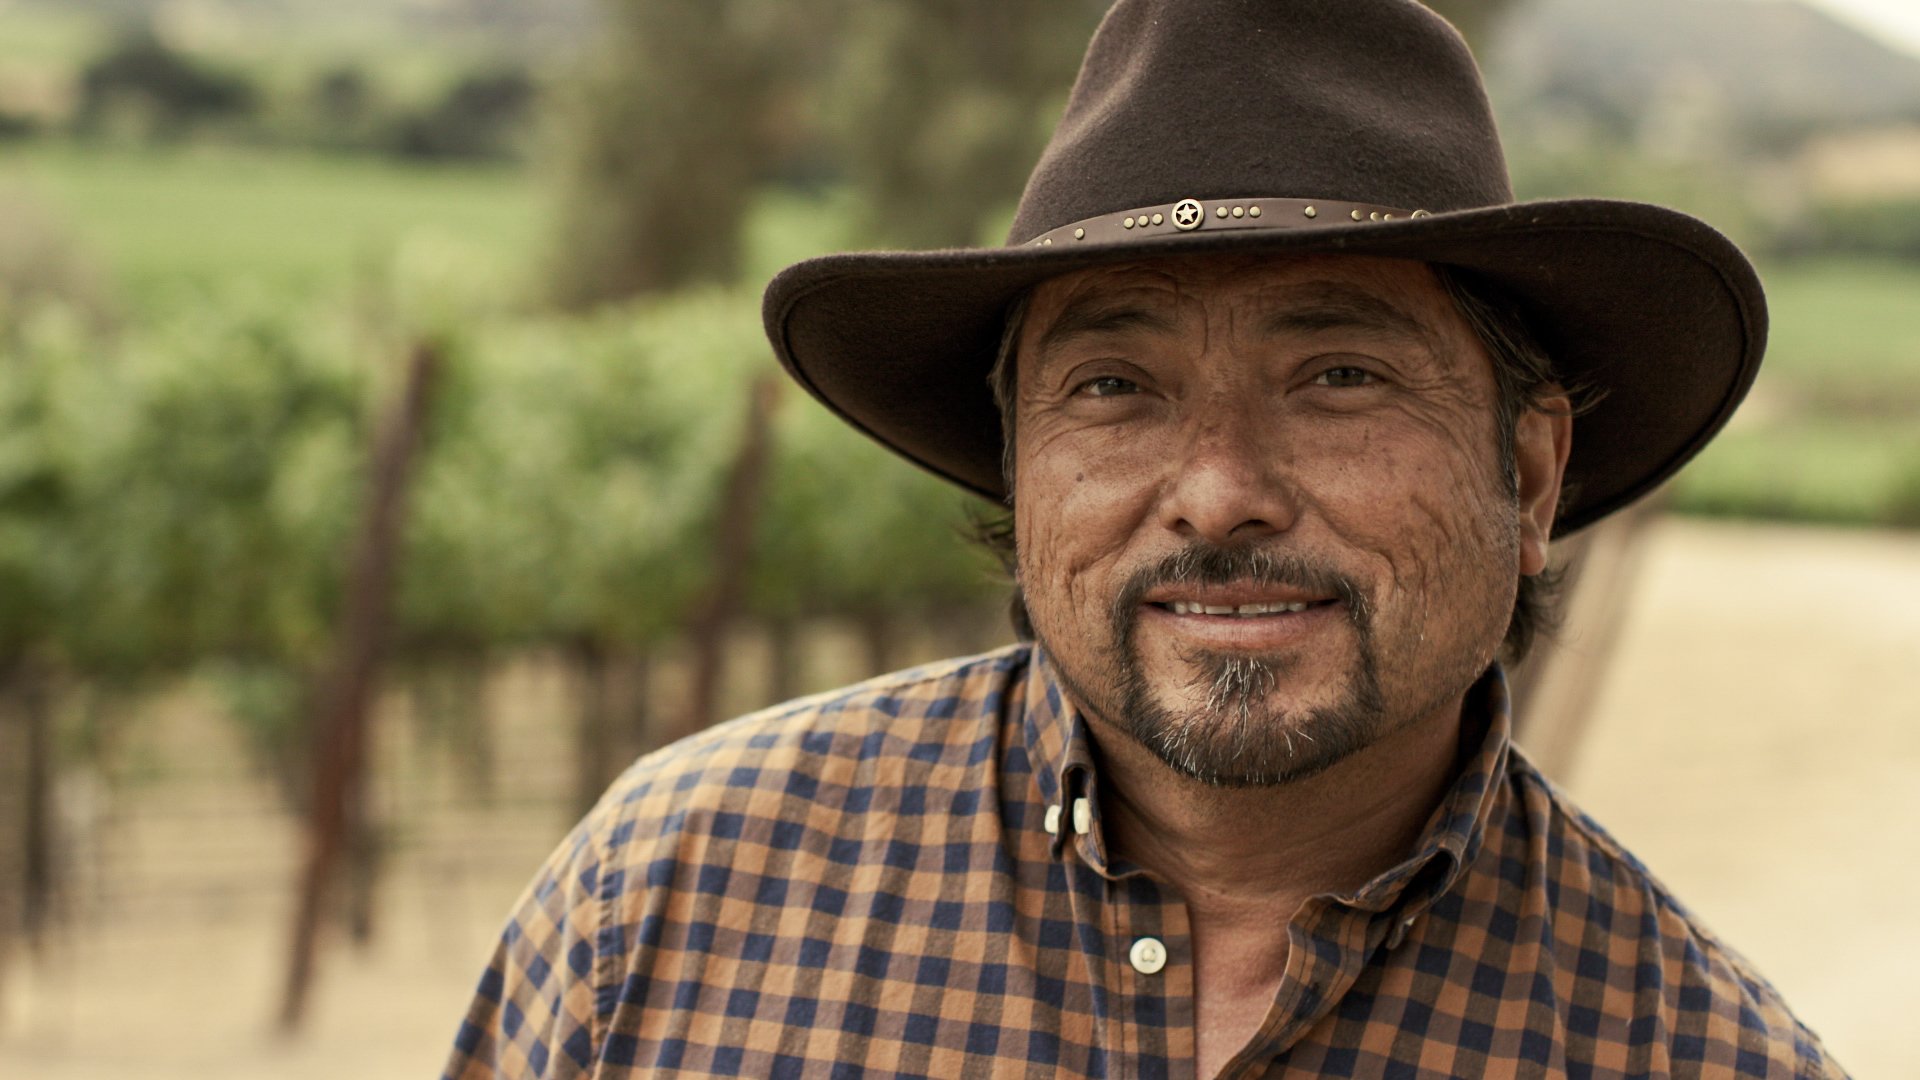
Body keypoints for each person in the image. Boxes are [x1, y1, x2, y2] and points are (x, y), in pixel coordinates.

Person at [445, 1, 1846, 1076]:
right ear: (1020, 475)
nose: (1220, 490)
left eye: (1340, 377)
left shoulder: (1697, 1051)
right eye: (1115, 388)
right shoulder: (669, 897)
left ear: (1529, 478)